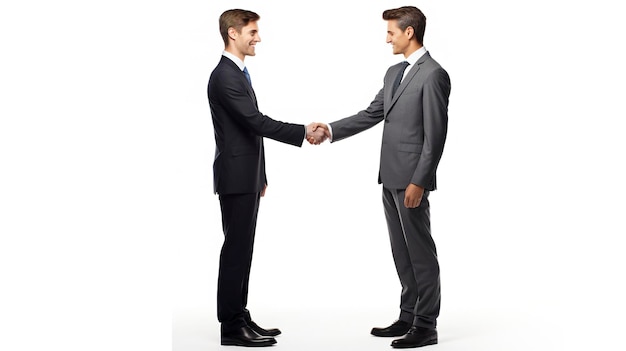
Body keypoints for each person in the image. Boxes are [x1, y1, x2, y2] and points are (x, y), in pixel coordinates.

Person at [313, 6, 451, 349]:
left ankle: (426, 324)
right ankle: (408, 315)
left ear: (409, 32)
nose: (387, 37)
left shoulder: (434, 74)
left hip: (411, 180)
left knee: (420, 252)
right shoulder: (393, 73)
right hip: (388, 176)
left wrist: (420, 180)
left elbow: (436, 136)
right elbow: (372, 113)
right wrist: (329, 129)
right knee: (401, 252)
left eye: (391, 32)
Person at [208, 9, 327, 347]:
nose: (258, 38)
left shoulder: (237, 73)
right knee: (235, 251)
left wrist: (260, 174)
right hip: (234, 177)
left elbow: (246, 133)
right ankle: (231, 326)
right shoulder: (225, 76)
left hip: (245, 176)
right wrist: (303, 131)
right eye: (253, 32)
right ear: (233, 33)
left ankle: (239, 315)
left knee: (242, 249)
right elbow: (255, 123)